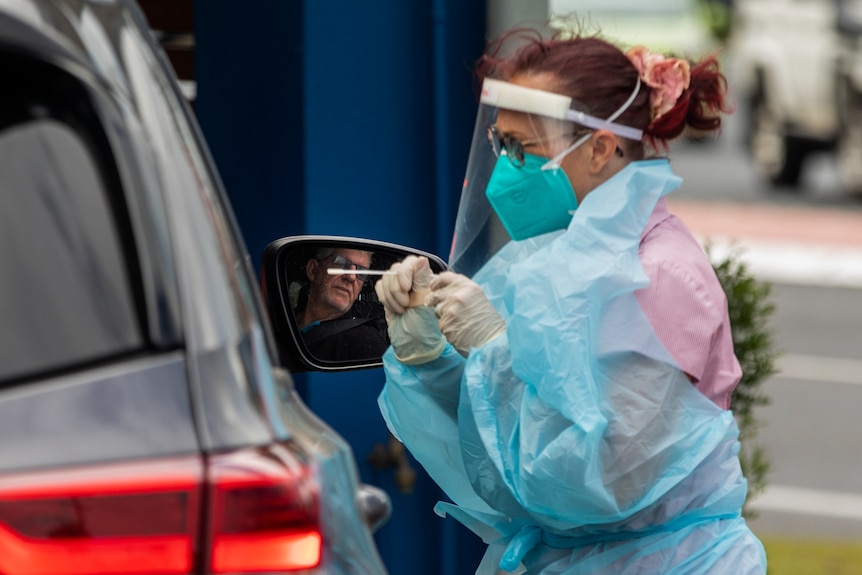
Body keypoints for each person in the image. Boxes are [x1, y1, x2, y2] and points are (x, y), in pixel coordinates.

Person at [374, 25, 767, 575]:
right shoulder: (560, 258)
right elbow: (507, 453)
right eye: (498, 145)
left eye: (521, 148)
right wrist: (435, 360)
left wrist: (493, 348)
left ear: (601, 148)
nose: (504, 171)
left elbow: (599, 480)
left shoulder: (658, 278)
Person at [294, 247, 388, 361]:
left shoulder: (365, 343)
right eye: (341, 262)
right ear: (313, 270)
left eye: (361, 272)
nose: (351, 277)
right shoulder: (284, 319)